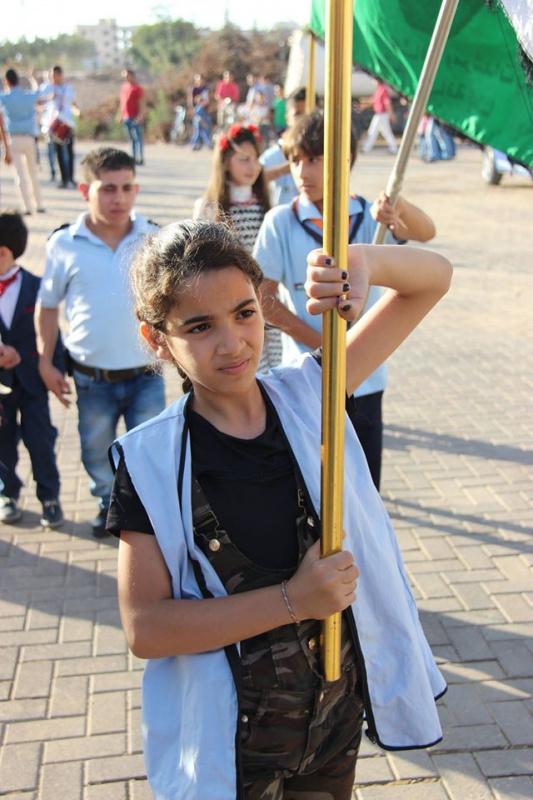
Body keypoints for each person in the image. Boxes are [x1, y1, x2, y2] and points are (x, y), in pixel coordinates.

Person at [107, 219, 451, 798]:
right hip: (230, 750)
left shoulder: (314, 392)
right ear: (157, 338)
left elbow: (433, 279)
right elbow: (145, 628)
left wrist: (364, 260)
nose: (232, 342)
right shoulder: (150, 462)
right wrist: (294, 600)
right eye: (199, 326)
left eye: (244, 312)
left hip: (334, 720)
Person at [254, 111, 436, 489]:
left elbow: (427, 233)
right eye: (295, 160)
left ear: (343, 161)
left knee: (363, 487)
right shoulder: (280, 221)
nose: (302, 172)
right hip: (303, 379)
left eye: (315, 160)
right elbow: (263, 298)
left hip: (364, 379)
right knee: (309, 487)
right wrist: (324, 345)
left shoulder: (370, 217)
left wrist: (398, 207)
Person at [36, 147, 165, 537]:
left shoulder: (152, 237)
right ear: (84, 191)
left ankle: (145, 514)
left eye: (127, 188)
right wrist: (45, 360)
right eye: (108, 188)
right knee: (97, 449)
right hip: (92, 378)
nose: (119, 198)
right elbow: (48, 306)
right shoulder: (65, 243)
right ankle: (107, 503)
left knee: (150, 448)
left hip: (146, 373)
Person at [193, 123, 281, 372]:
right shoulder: (209, 207)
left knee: (272, 368)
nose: (252, 166)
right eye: (243, 159)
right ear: (225, 163)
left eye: (255, 159)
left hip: (267, 301)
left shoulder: (267, 205)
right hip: (228, 304)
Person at [0, 212, 63, 528]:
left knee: (41, 441)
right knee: (2, 444)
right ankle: (7, 493)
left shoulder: (37, 287)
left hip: (32, 383)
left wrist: (55, 371)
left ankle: (50, 498)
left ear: (4, 252)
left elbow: (51, 336)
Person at [0, 69, 45, 215]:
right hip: (29, 138)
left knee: (20, 175)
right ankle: (39, 204)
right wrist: (33, 78)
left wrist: (5, 149)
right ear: (18, 80)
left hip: (13, 138)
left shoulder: (5, 97)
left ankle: (27, 207)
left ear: (7, 81)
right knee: (33, 172)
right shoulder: (27, 95)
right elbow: (38, 92)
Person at [260, 88, 305, 207]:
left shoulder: (323, 156)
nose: (303, 120)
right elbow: (253, 181)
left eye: (308, 114)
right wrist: (283, 169)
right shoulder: (271, 156)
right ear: (287, 117)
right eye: (298, 114)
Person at [39, 65, 79, 188]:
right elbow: (38, 102)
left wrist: (78, 111)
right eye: (51, 75)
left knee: (70, 152)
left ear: (60, 75)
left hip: (67, 122)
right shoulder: (47, 87)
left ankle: (71, 178)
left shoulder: (68, 88)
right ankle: (64, 179)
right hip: (54, 124)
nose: (52, 78)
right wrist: (48, 98)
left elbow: (73, 103)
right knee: (59, 152)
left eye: (54, 75)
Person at [362, 81, 398, 155]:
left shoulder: (383, 89)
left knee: (373, 131)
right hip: (379, 114)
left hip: (381, 114)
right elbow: (374, 101)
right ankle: (393, 148)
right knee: (386, 133)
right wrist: (363, 105)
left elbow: (387, 103)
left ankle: (366, 148)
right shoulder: (378, 90)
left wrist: (391, 114)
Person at [118, 69, 145, 166]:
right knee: (131, 139)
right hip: (126, 116)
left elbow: (141, 102)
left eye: (126, 75)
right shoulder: (124, 87)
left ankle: (140, 157)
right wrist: (120, 115)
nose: (125, 78)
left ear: (131, 75)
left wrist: (140, 115)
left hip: (135, 116)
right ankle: (132, 158)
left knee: (138, 138)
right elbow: (122, 102)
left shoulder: (137, 88)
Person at [189, 74, 212, 151]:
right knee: (198, 126)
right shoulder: (194, 89)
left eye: (201, 80)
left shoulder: (205, 89)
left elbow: (207, 101)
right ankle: (198, 143)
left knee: (204, 126)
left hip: (204, 111)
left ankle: (201, 143)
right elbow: (192, 102)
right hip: (197, 111)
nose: (199, 82)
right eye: (198, 80)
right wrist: (192, 110)